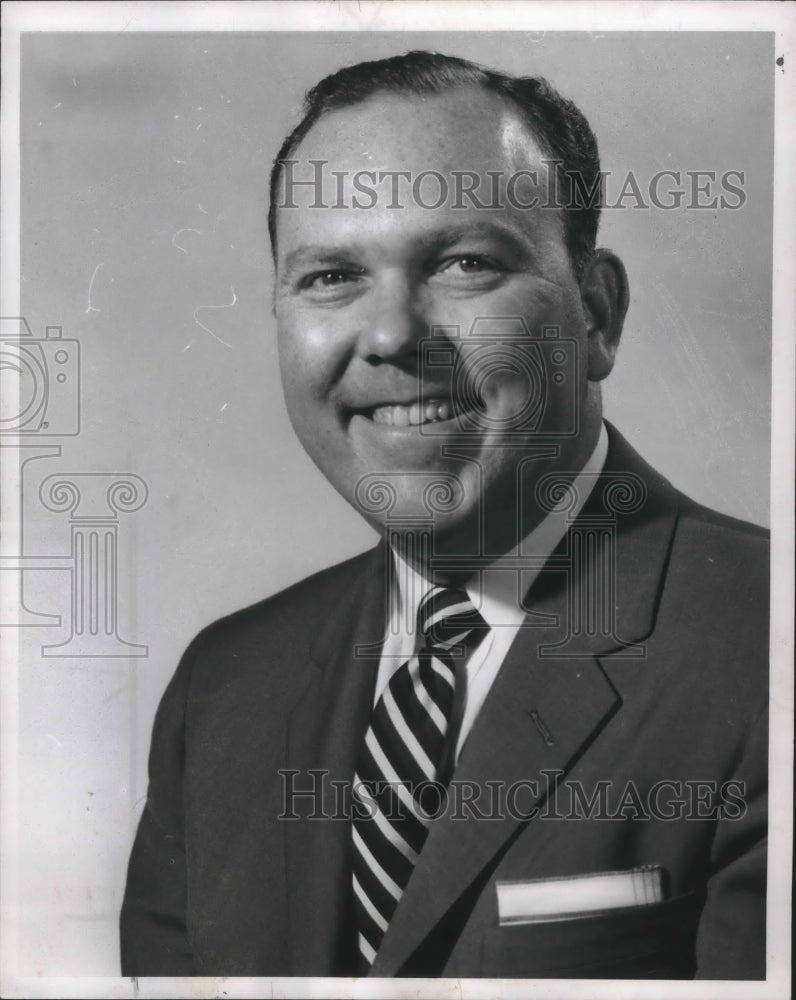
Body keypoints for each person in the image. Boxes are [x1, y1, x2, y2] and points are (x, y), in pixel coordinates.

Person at [120, 51, 768, 980]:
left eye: (465, 264)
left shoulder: (767, 648)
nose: (391, 336)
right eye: (331, 276)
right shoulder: (224, 689)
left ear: (596, 316)